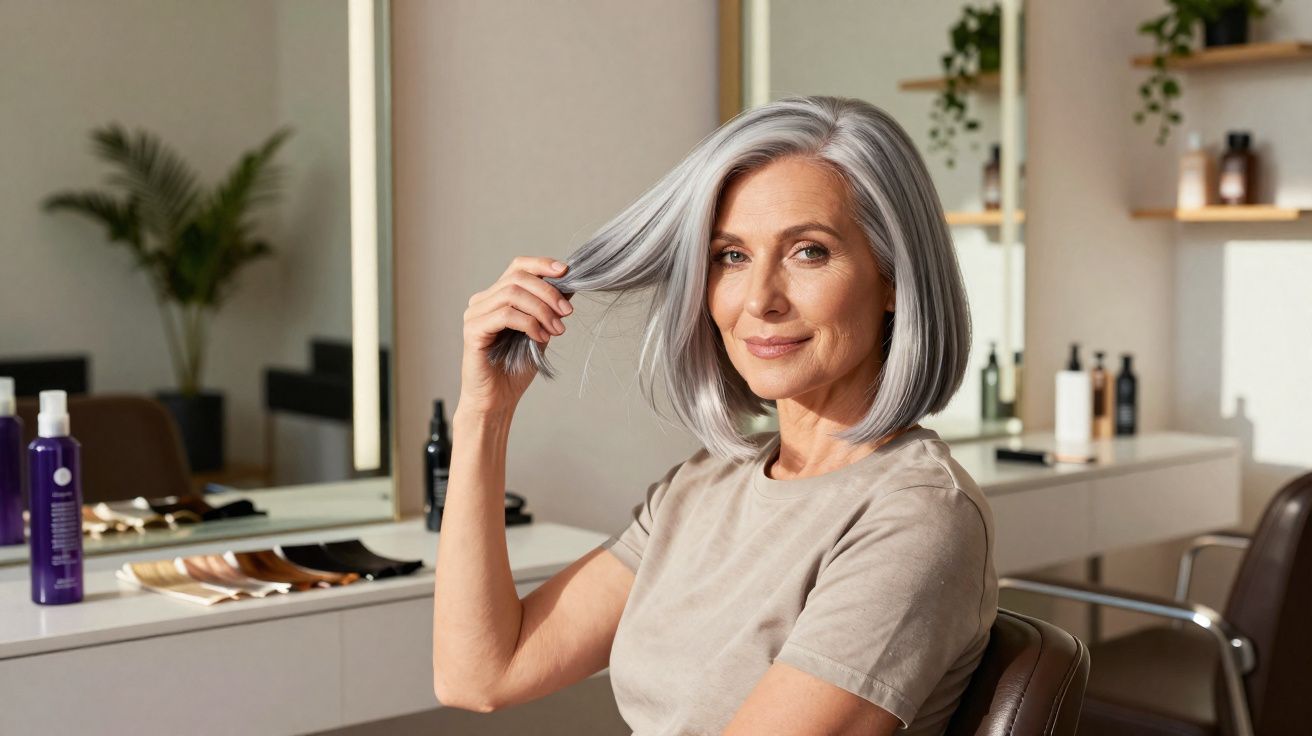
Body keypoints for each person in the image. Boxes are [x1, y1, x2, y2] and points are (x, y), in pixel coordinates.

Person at [433, 95, 997, 735]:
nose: (760, 300)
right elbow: (480, 674)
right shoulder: (704, 485)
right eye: (732, 256)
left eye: (809, 251)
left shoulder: (916, 516)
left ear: (894, 276)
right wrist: (485, 413)